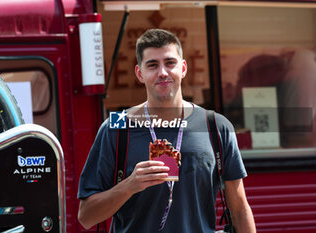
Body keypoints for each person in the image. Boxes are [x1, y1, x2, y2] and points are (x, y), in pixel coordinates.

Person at [77, 29, 256, 233]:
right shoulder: (116, 126)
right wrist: (129, 185)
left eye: (170, 63)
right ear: (139, 74)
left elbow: (240, 210)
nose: (163, 72)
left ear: (183, 68)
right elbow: (86, 216)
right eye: (152, 65)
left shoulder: (216, 125)